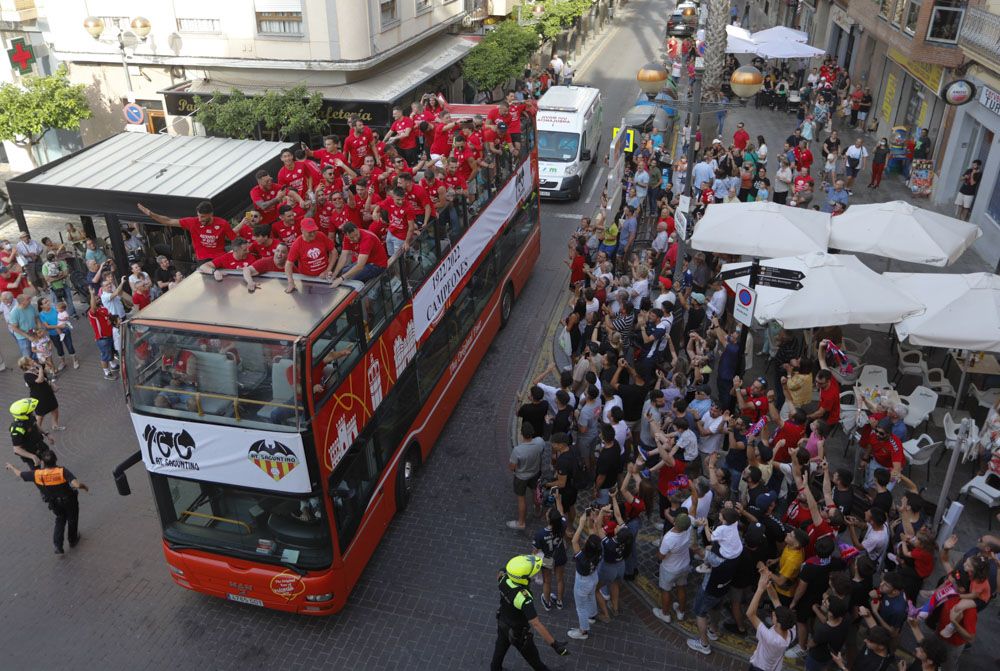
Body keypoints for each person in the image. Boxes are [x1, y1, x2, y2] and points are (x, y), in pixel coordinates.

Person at [490, 554, 568, 671]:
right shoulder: (523, 598)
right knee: (535, 661)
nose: (535, 574)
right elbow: (536, 624)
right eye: (532, 574)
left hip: (502, 623)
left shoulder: (503, 577)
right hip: (518, 634)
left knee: (499, 651)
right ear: (523, 578)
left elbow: (511, 568)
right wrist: (554, 644)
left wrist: (544, 562)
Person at [5, 449, 88, 554]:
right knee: (72, 519)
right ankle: (72, 540)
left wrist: (12, 467)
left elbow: (20, 474)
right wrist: (83, 486)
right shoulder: (62, 471)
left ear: (43, 462)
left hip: (54, 503)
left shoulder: (37, 474)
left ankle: (58, 546)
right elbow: (76, 484)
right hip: (69, 501)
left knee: (60, 519)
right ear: (56, 460)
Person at [136, 201, 239, 262]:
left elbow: (235, 239)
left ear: (210, 214)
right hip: (203, 260)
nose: (199, 219)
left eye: (202, 216)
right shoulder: (192, 222)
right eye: (198, 215)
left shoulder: (222, 223)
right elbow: (169, 221)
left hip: (220, 257)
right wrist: (151, 214)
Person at [747, 567, 796, 671]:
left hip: (760, 668)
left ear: (778, 623)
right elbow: (775, 599)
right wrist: (768, 583)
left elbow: (750, 614)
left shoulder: (771, 638)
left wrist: (760, 589)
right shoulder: (791, 630)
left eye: (774, 616)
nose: (773, 613)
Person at [653, 511, 692, 624]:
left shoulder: (669, 538)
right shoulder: (688, 530)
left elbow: (661, 556)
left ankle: (665, 614)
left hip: (670, 568)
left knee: (666, 590)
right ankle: (681, 611)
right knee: (681, 587)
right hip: (684, 565)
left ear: (675, 522)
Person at [507, 422, 543, 531]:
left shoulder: (518, 450)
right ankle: (537, 510)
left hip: (521, 477)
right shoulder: (539, 443)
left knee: (521, 499)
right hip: (535, 473)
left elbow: (512, 467)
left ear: (522, 434)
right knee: (535, 492)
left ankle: (521, 522)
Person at [9, 397, 51, 469]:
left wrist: (46, 434)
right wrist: (33, 456)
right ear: (24, 415)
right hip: (30, 453)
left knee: (49, 463)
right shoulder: (17, 429)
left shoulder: (30, 417)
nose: (32, 412)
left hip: (40, 445)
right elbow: (17, 449)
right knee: (37, 475)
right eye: (30, 411)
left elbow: (35, 425)